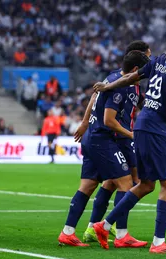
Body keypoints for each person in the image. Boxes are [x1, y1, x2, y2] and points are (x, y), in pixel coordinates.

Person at [92, 28, 166, 254]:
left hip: (141, 125)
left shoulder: (159, 59)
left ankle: (105, 225)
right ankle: (159, 243)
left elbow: (132, 76)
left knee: (146, 184)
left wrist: (108, 86)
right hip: (157, 130)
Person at [58, 50, 149, 248]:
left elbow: (96, 97)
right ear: (135, 70)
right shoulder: (122, 87)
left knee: (88, 186)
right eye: (142, 71)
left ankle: (68, 232)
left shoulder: (113, 78)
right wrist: (133, 135)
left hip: (93, 136)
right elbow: (109, 120)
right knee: (126, 182)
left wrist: (85, 123)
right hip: (102, 139)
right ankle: (122, 235)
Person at [81, 42, 152, 243]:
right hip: (119, 136)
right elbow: (98, 99)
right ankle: (119, 231)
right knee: (131, 182)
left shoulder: (131, 83)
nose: (150, 62)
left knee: (113, 182)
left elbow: (134, 100)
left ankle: (93, 228)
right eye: (147, 57)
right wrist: (86, 122)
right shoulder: (122, 82)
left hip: (119, 135)